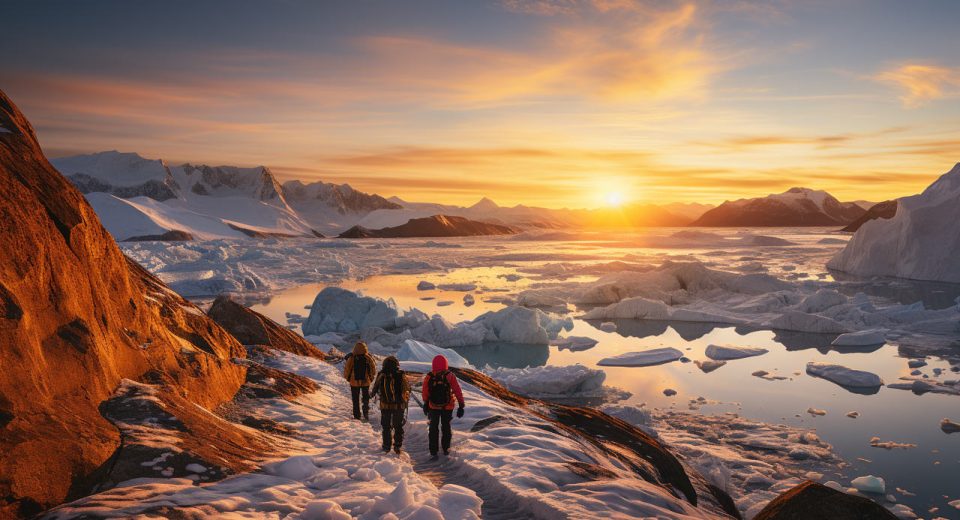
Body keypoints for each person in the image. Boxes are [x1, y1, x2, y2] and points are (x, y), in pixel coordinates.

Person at [421, 354, 465, 460]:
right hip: (447, 407)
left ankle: (433, 452)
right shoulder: (450, 376)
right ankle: (446, 449)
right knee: (446, 427)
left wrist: (426, 403)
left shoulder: (429, 376)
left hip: (433, 407)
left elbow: (425, 392)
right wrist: (461, 405)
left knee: (433, 429)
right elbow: (457, 390)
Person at [371, 356, 411, 454]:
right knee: (398, 426)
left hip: (385, 405)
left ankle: (386, 446)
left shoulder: (381, 374)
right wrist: (405, 403)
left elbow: (375, 387)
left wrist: (371, 395)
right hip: (399, 405)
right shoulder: (401, 374)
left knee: (386, 426)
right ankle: (397, 446)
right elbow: (407, 389)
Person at [343, 341, 377, 420]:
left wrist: (348, 378)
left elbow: (347, 369)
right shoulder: (368, 357)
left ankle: (357, 415)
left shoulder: (352, 358)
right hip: (366, 382)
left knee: (355, 399)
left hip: (354, 382)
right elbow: (373, 369)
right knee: (365, 398)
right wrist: (371, 378)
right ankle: (365, 413)